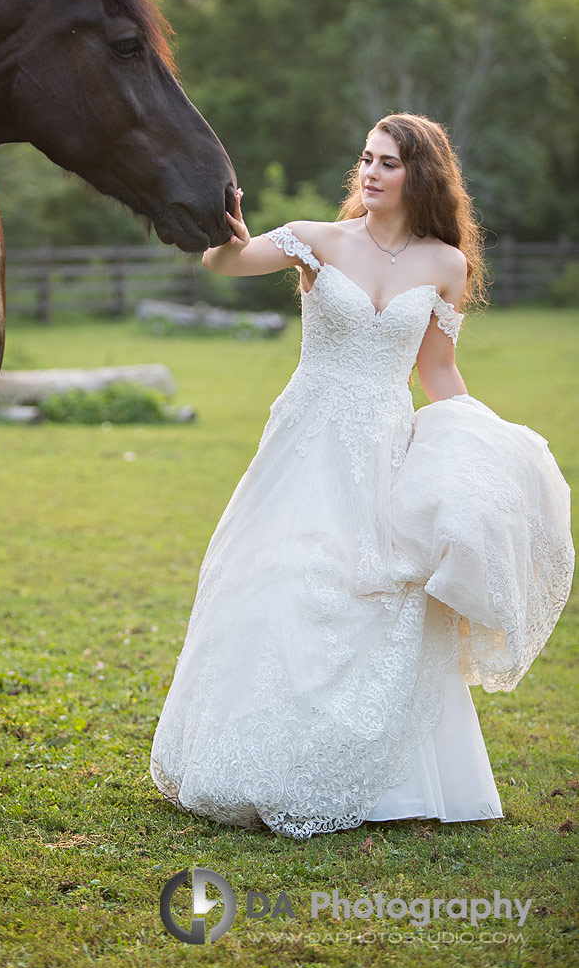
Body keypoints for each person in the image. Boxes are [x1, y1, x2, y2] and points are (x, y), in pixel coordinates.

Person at [150, 112, 574, 838]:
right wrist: (230, 230)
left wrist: (481, 448)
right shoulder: (316, 240)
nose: (370, 173)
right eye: (366, 159)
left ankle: (386, 776)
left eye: (388, 163)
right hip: (306, 436)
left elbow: (436, 370)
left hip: (383, 441)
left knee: (376, 589)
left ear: (421, 176)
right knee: (283, 576)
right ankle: (257, 756)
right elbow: (222, 265)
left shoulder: (445, 263)